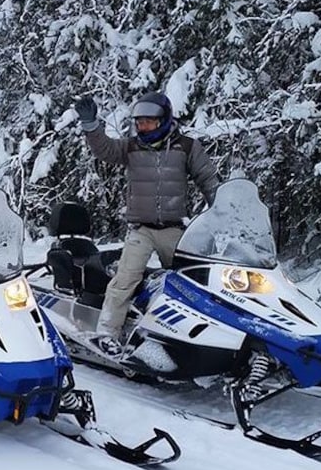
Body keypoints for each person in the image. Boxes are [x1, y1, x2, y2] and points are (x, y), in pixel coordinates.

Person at [74, 92, 220, 358]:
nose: (142, 127)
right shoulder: (132, 147)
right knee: (124, 280)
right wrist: (91, 126)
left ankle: (197, 338)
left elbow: (207, 178)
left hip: (175, 230)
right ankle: (107, 334)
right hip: (141, 230)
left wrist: (221, 208)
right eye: (139, 122)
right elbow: (104, 149)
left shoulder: (186, 147)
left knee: (192, 283)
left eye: (148, 122)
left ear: (163, 120)